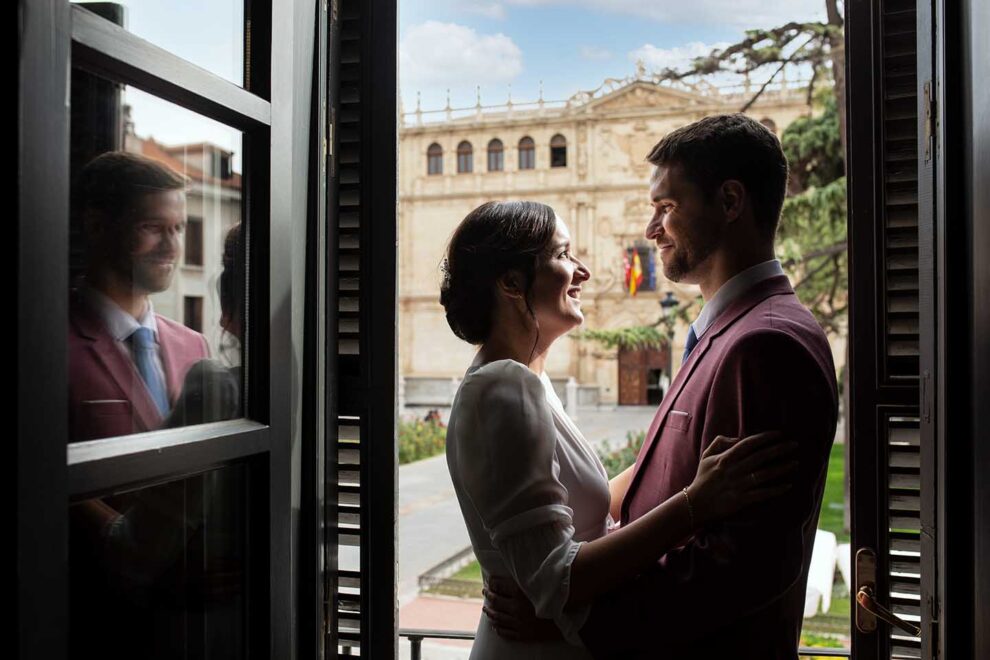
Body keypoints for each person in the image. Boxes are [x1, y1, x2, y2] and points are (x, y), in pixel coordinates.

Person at [488, 115, 839, 658]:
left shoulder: (765, 344)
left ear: (730, 202)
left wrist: (578, 625)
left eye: (667, 206)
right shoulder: (728, 331)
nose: (651, 229)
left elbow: (745, 565)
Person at [440, 200, 797, 659]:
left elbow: (580, 508)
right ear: (511, 283)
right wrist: (696, 503)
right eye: (563, 255)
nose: (583, 271)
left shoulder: (528, 381)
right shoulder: (502, 389)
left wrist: (690, 448)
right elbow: (557, 580)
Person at [68, 150, 209, 442]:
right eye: (152, 227)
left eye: (178, 228)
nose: (172, 247)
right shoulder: (46, 346)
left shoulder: (195, 347)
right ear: (96, 227)